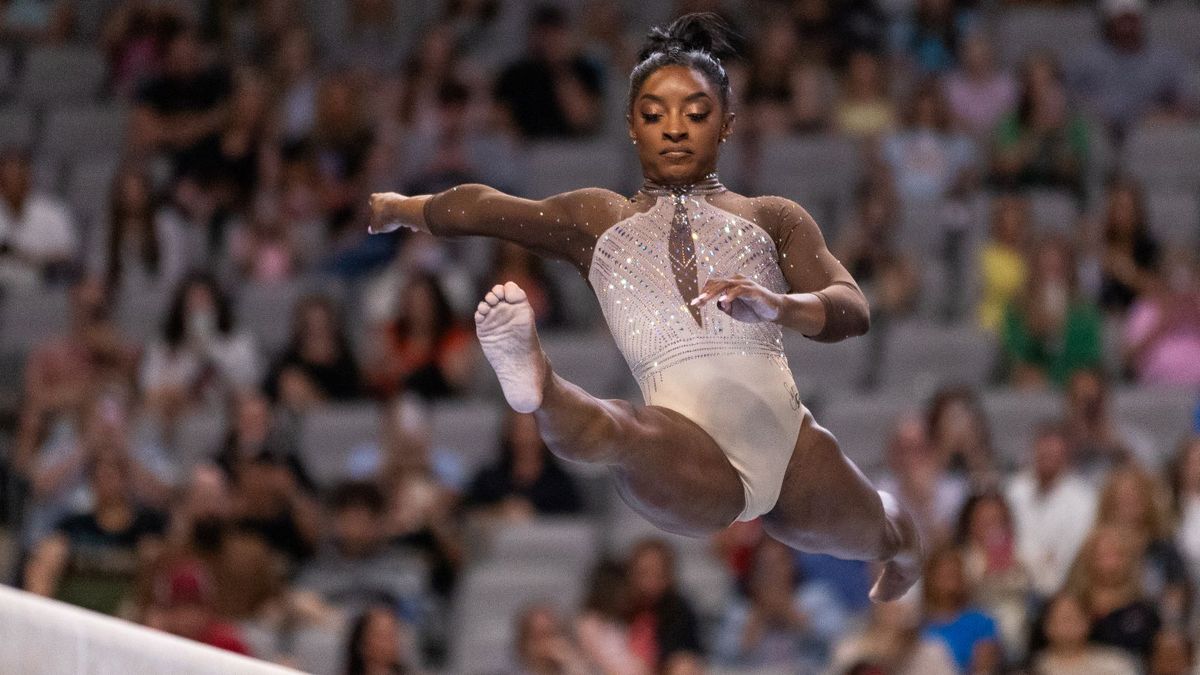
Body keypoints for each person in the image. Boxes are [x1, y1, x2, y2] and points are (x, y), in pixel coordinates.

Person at [369, 11, 921, 603]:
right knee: (620, 430)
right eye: (654, 115)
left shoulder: (772, 217)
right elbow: (489, 209)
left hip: (791, 449)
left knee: (890, 535)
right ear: (632, 126)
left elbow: (851, 307)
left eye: (697, 113)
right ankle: (537, 386)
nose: (675, 129)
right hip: (684, 446)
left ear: (727, 124)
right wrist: (403, 207)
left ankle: (906, 557)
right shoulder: (598, 222)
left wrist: (780, 306)